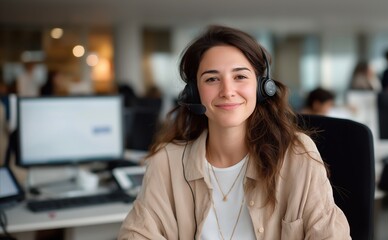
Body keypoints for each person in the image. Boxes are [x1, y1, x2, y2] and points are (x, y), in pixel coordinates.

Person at [118, 25, 350, 239]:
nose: (227, 91)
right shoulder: (167, 162)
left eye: (240, 76)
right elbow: (137, 234)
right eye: (212, 79)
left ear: (261, 87)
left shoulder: (295, 153)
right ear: (194, 93)